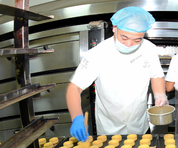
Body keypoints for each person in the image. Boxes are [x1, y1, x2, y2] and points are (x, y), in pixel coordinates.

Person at [66, 7, 168, 140]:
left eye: (137, 40)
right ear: (114, 28)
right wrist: (77, 117)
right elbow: (74, 88)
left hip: (140, 127)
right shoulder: (98, 53)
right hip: (109, 130)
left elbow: (156, 75)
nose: (129, 44)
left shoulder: (149, 49)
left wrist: (160, 94)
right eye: (124, 37)